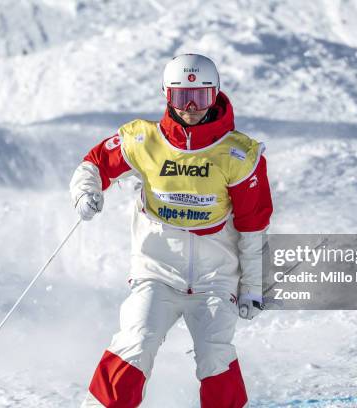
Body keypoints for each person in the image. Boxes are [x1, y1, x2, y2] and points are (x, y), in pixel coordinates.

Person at [70, 53, 273, 408]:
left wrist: (252, 287)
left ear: (216, 94)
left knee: (215, 355)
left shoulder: (239, 155)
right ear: (167, 95)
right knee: (135, 342)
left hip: (216, 279)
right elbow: (94, 163)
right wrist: (86, 192)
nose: (191, 107)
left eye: (202, 97)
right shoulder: (143, 140)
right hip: (157, 273)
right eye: (181, 97)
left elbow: (253, 226)